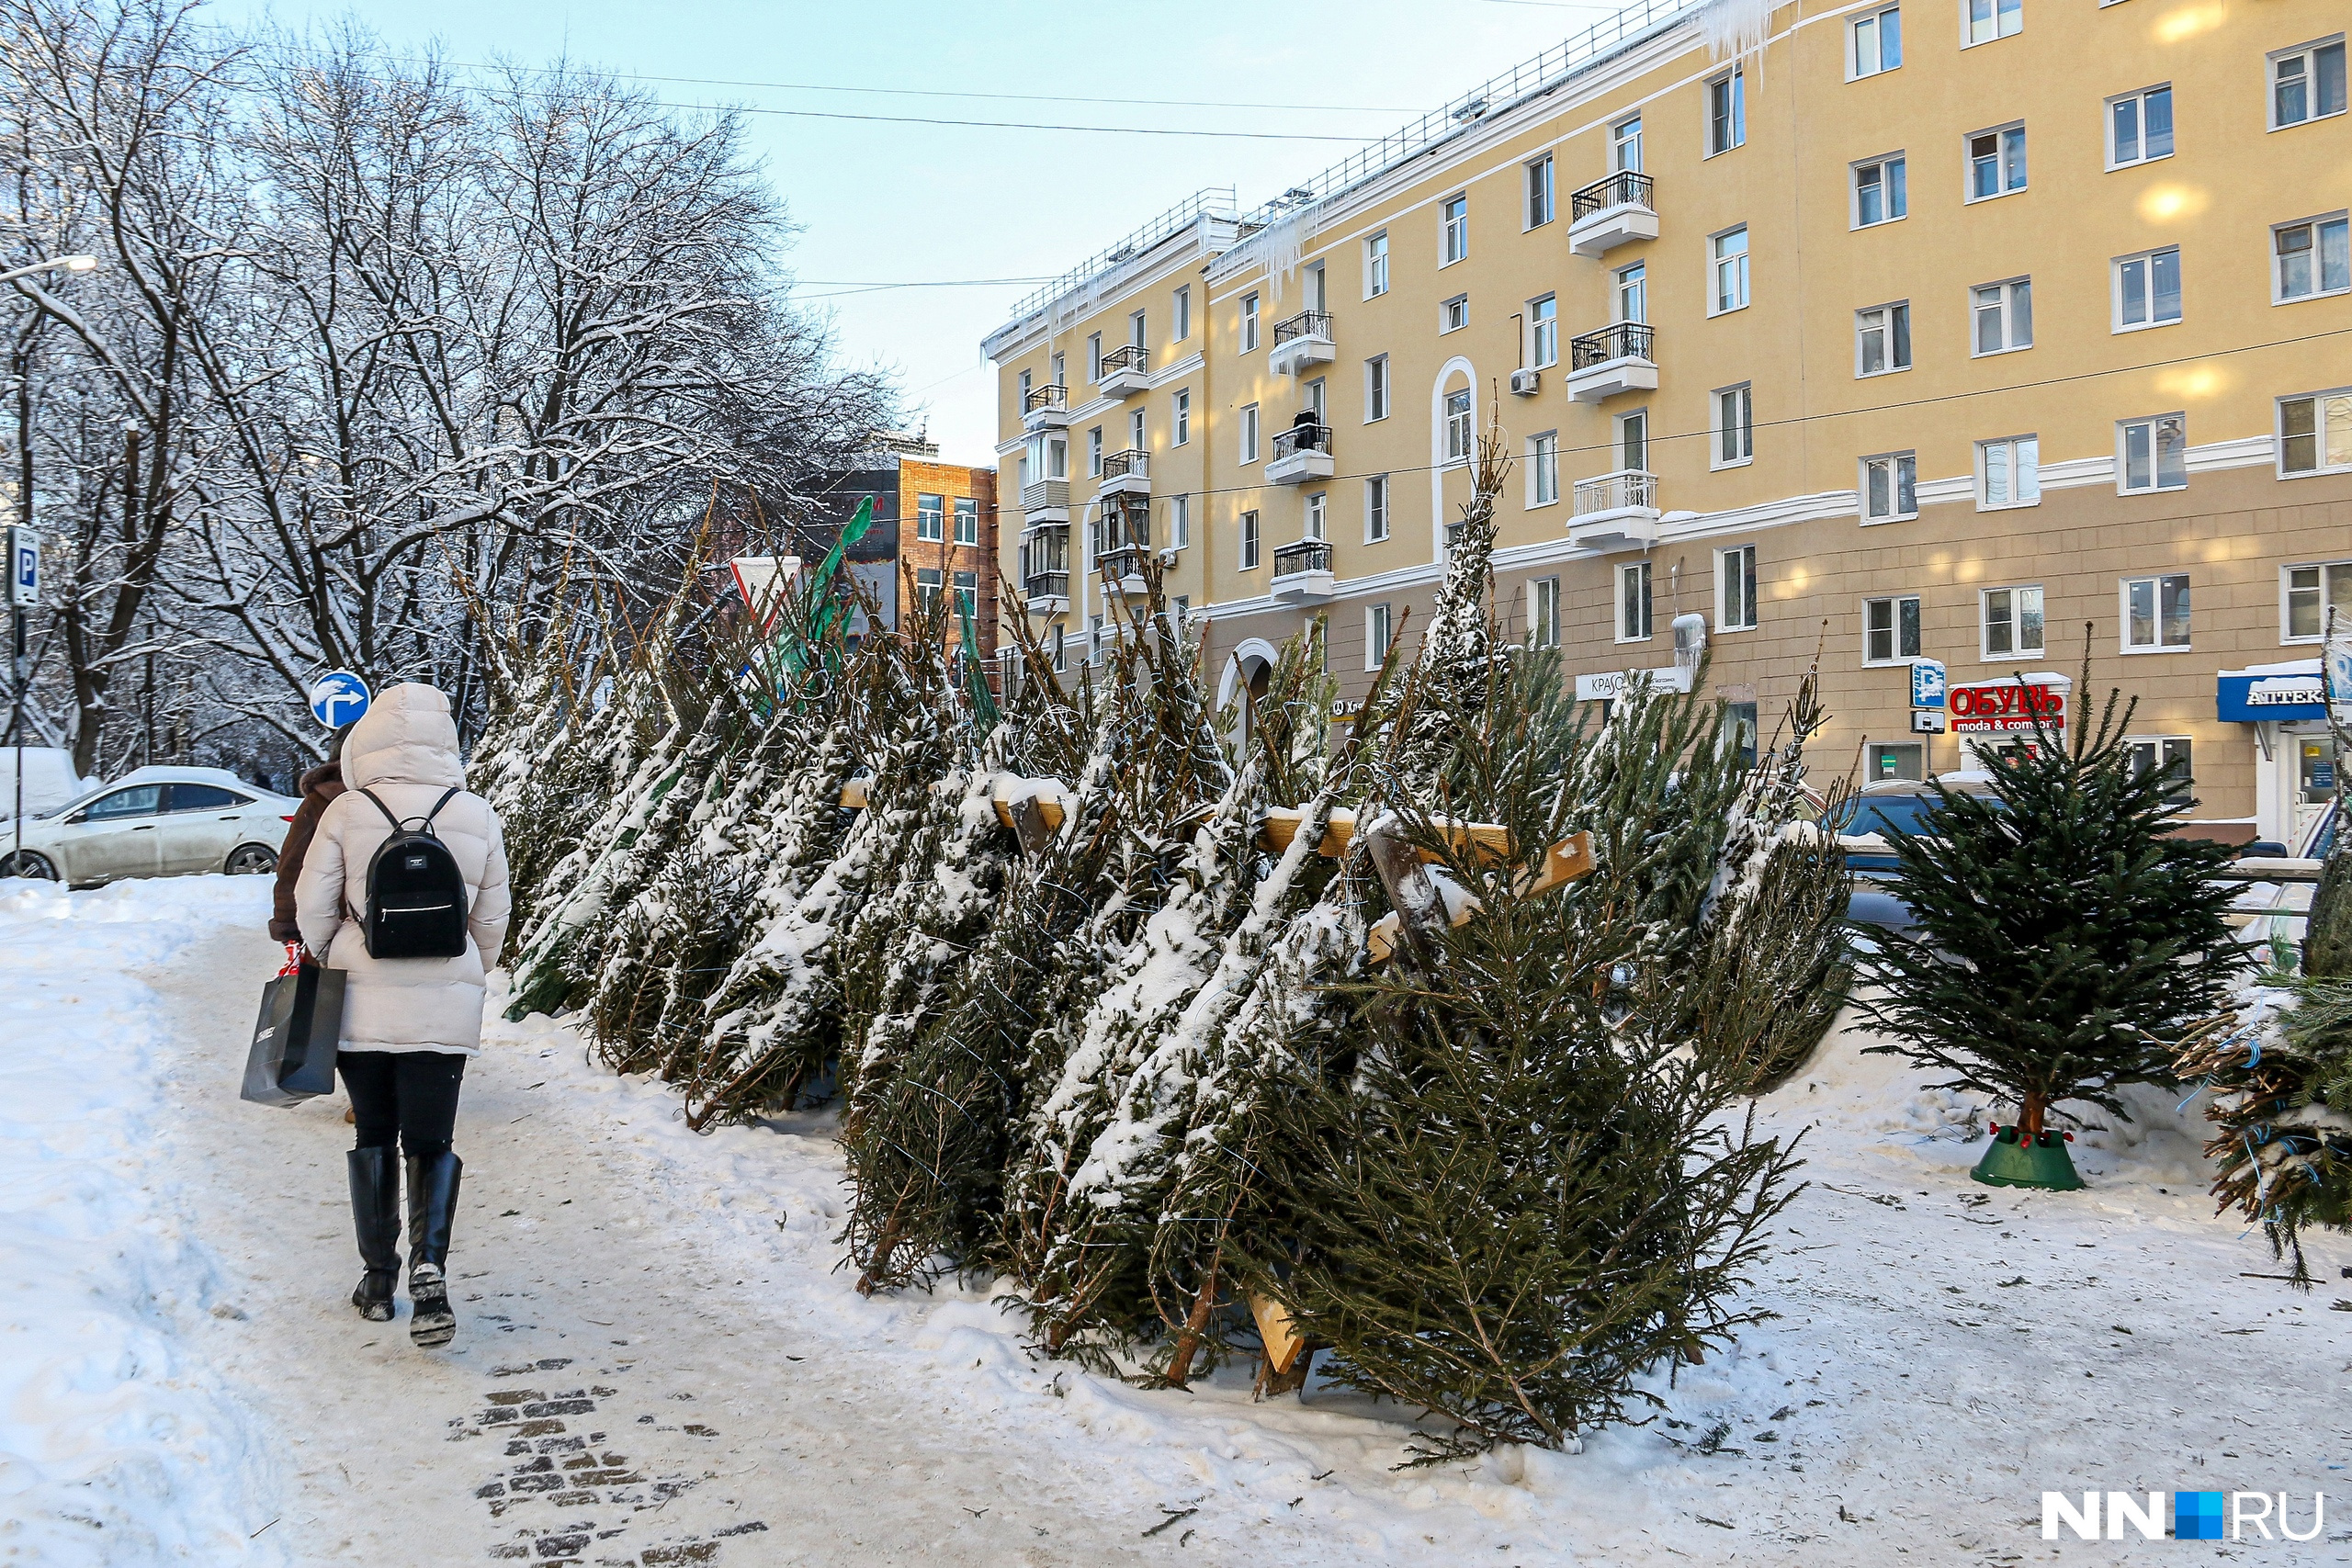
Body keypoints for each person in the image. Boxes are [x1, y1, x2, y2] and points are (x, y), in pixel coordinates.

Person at [296, 683, 510, 1348]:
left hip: (362, 1001)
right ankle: (431, 1270)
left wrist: (341, 955)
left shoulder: (348, 810)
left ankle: (377, 1279)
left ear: (368, 742)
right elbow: (493, 921)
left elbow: (312, 906)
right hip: (443, 1011)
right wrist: (462, 967)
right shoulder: (475, 811)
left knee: (373, 1135)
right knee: (431, 1140)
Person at [269, 727, 350, 945]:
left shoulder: (320, 801)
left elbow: (292, 867)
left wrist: (287, 927)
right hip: (408, 923)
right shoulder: (411, 796)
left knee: (332, 978)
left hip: (335, 931)